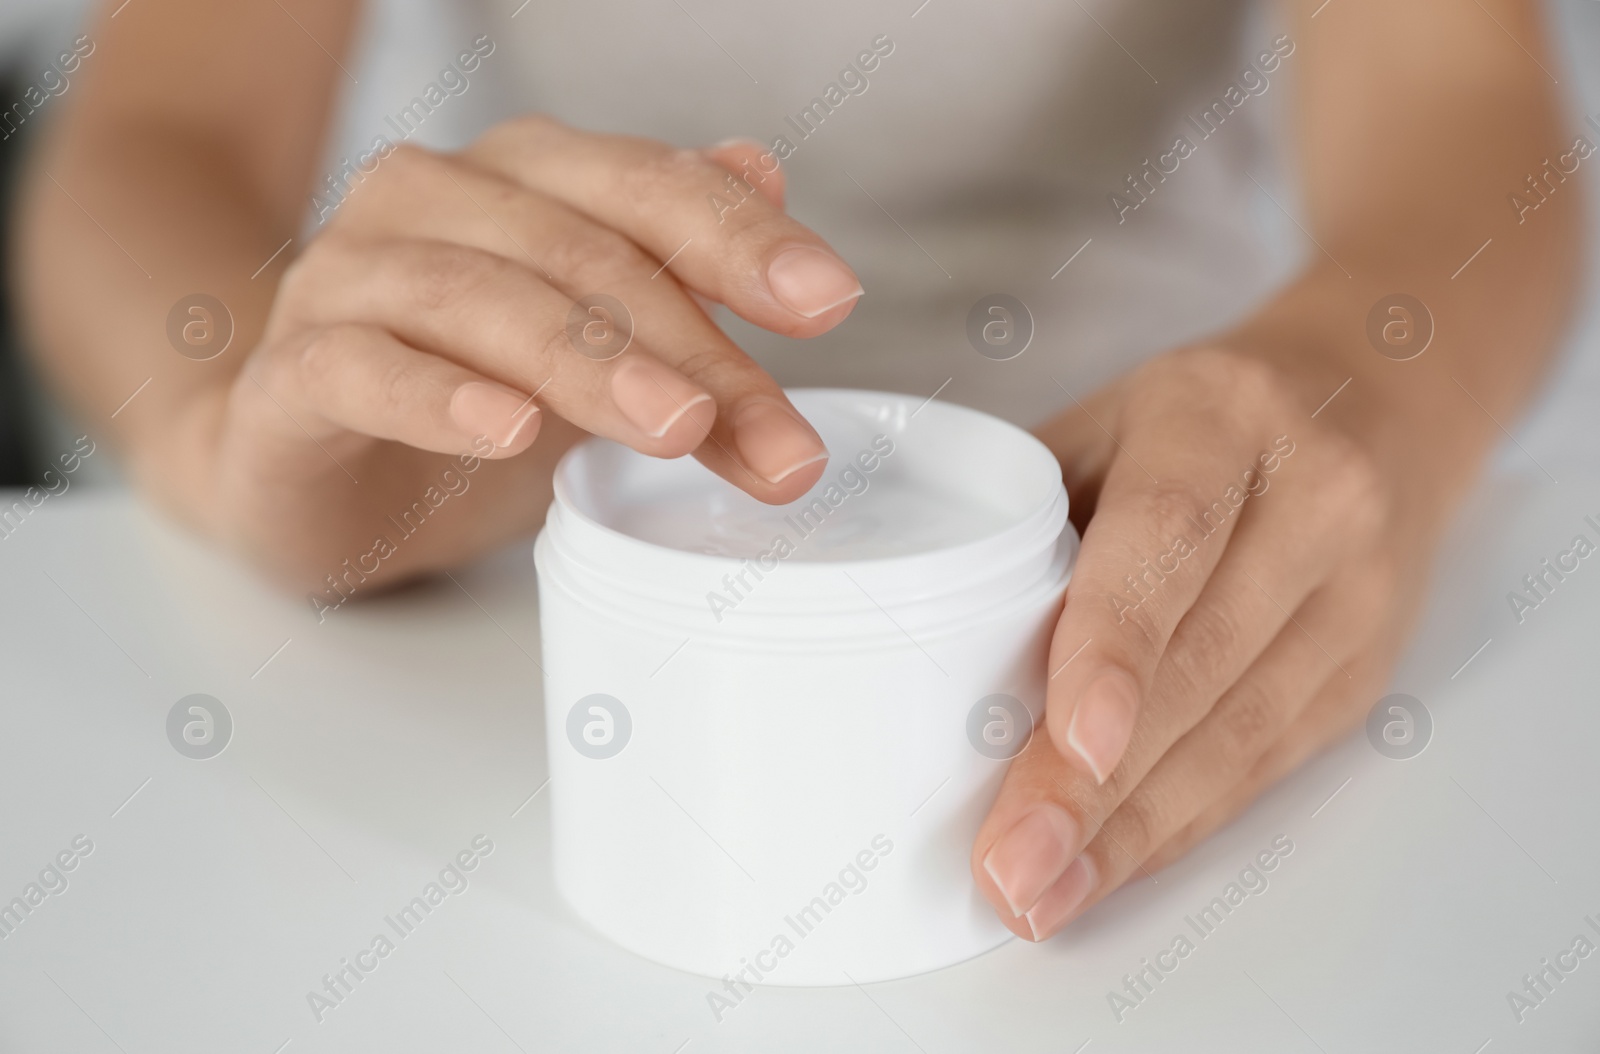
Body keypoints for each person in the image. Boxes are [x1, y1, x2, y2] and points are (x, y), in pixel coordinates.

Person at [11, 0, 1580, 943]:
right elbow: (158, 132)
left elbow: (1459, 98)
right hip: (541, 510)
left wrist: (1369, 385)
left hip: (1143, 513)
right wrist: (243, 408)